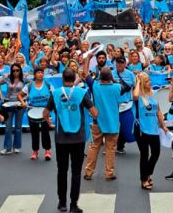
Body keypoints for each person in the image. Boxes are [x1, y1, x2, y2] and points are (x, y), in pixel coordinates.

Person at [43, 68, 97, 213]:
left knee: (62, 170)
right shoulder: (81, 93)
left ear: (62, 79)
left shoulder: (55, 93)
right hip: (78, 138)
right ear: (74, 79)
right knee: (76, 171)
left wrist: (49, 121)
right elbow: (94, 112)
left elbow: (45, 113)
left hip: (61, 138)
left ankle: (62, 203)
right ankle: (74, 205)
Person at [84, 67, 123, 181]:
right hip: (113, 123)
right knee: (110, 148)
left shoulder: (95, 86)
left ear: (100, 77)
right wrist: (113, 80)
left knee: (94, 146)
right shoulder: (117, 87)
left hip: (98, 122)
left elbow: (85, 73)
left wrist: (88, 58)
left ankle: (88, 172)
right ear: (111, 77)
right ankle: (109, 173)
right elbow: (126, 86)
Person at [132, 73, 168, 190]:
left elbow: (158, 111)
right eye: (147, 81)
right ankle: (144, 180)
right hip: (142, 129)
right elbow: (136, 96)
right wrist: (137, 81)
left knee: (156, 153)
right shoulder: (138, 96)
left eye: (149, 81)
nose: (150, 83)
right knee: (144, 154)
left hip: (153, 128)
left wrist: (163, 126)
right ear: (142, 84)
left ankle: (147, 174)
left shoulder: (152, 94)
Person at [18, 67, 53, 160]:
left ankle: (47, 150)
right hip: (32, 111)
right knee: (34, 132)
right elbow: (19, 95)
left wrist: (50, 107)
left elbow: (54, 96)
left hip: (45, 111)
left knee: (45, 131)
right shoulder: (29, 86)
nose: (40, 74)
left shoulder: (48, 84)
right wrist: (23, 102)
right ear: (34, 75)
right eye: (38, 72)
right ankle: (35, 151)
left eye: (42, 72)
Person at [0, 63, 26, 155]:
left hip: (19, 104)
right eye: (13, 70)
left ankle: (17, 147)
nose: (15, 72)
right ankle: (7, 147)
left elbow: (30, 86)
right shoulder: (8, 78)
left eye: (17, 70)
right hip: (8, 103)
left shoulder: (24, 79)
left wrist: (25, 98)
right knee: (8, 127)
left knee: (18, 127)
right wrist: (1, 95)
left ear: (20, 70)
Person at [111, 57, 135, 154]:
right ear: (115, 64)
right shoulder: (111, 73)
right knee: (113, 126)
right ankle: (110, 146)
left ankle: (120, 145)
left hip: (126, 104)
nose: (120, 65)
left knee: (124, 126)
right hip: (114, 104)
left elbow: (131, 86)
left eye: (122, 63)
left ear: (125, 64)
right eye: (118, 63)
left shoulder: (130, 74)